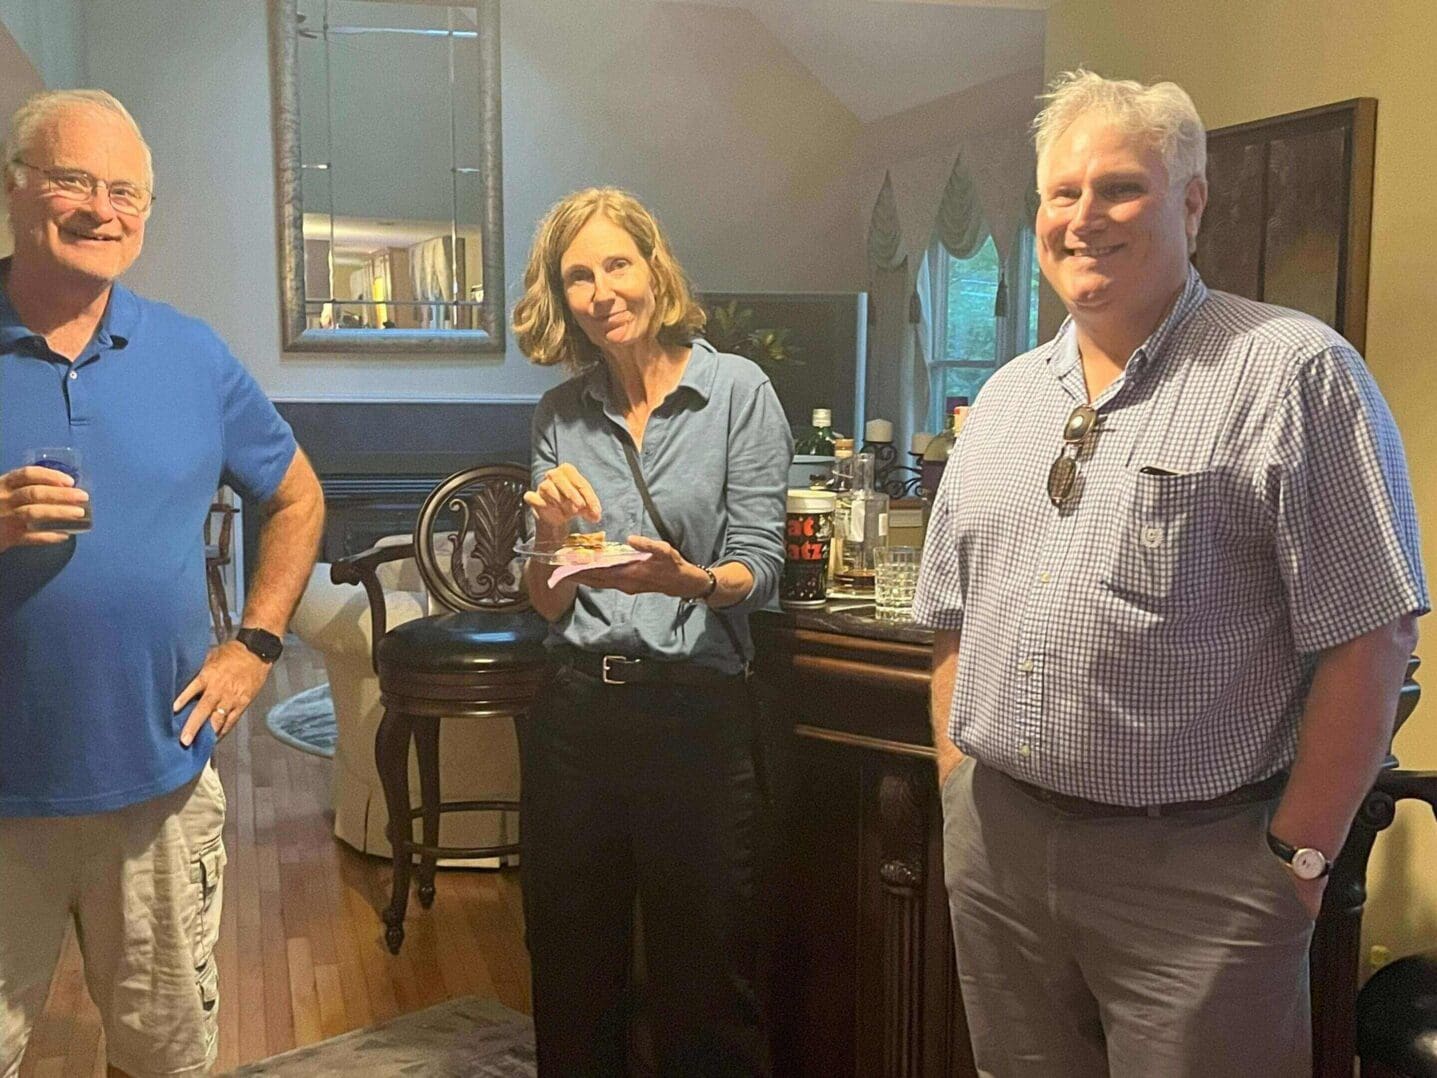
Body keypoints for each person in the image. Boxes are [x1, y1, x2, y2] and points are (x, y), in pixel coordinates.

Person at [913, 70, 1426, 1078]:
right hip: (1002, 855)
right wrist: (959, 784)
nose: (1084, 217)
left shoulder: (1289, 372)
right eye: (1063, 193)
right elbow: (950, 618)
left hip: (1199, 876)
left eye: (1121, 189)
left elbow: (1374, 634)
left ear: (1192, 200)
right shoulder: (1007, 400)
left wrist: (1299, 858)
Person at [0, 90, 324, 1078]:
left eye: (125, 191)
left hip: (158, 784)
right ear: (17, 192)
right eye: (72, 182)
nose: (103, 209)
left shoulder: (191, 352)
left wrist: (257, 643)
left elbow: (299, 496)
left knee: (163, 1055)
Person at [511, 187, 790, 1075]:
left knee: (706, 984)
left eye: (616, 265)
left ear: (653, 267)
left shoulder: (736, 390)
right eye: (578, 276)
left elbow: (761, 565)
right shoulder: (559, 415)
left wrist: (693, 582)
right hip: (573, 722)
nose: (601, 291)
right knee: (569, 977)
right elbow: (545, 601)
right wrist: (550, 542)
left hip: (696, 719)